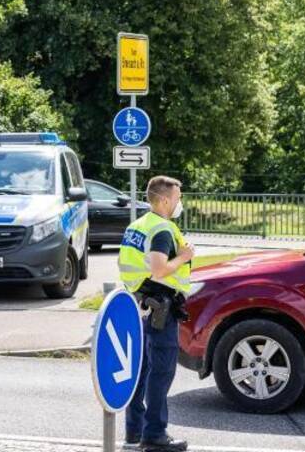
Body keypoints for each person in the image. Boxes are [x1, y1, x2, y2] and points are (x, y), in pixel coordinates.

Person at [118, 175, 195, 452]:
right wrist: (184, 257)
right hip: (161, 306)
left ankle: (134, 431)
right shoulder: (162, 229)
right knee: (160, 372)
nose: (179, 203)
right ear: (164, 200)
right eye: (177, 198)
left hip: (143, 302)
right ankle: (155, 435)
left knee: (143, 371)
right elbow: (160, 268)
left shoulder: (137, 225)